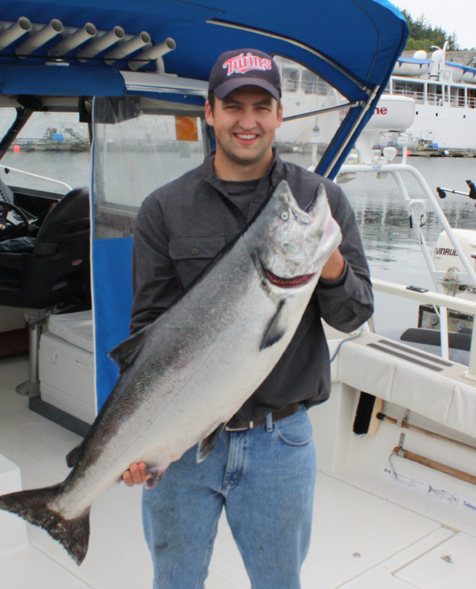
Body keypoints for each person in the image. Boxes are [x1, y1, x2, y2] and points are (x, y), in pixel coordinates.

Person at [122, 48, 374, 588]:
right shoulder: (163, 209)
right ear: (209, 113)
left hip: (279, 439)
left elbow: (355, 315)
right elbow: (146, 335)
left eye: (262, 105)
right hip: (182, 440)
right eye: (233, 106)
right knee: (176, 580)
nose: (248, 120)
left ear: (280, 115)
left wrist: (328, 266)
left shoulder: (320, 201)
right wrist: (133, 438)